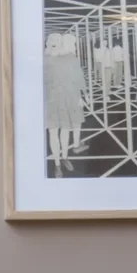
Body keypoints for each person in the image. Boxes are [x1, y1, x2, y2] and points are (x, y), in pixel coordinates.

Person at [43, 30, 86, 175]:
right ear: (48, 43)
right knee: (53, 131)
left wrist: (80, 97)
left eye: (57, 41)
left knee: (65, 130)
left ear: (61, 44)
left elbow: (76, 79)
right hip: (50, 100)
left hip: (67, 99)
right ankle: (57, 164)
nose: (54, 43)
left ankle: (65, 157)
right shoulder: (44, 59)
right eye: (52, 41)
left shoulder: (68, 58)